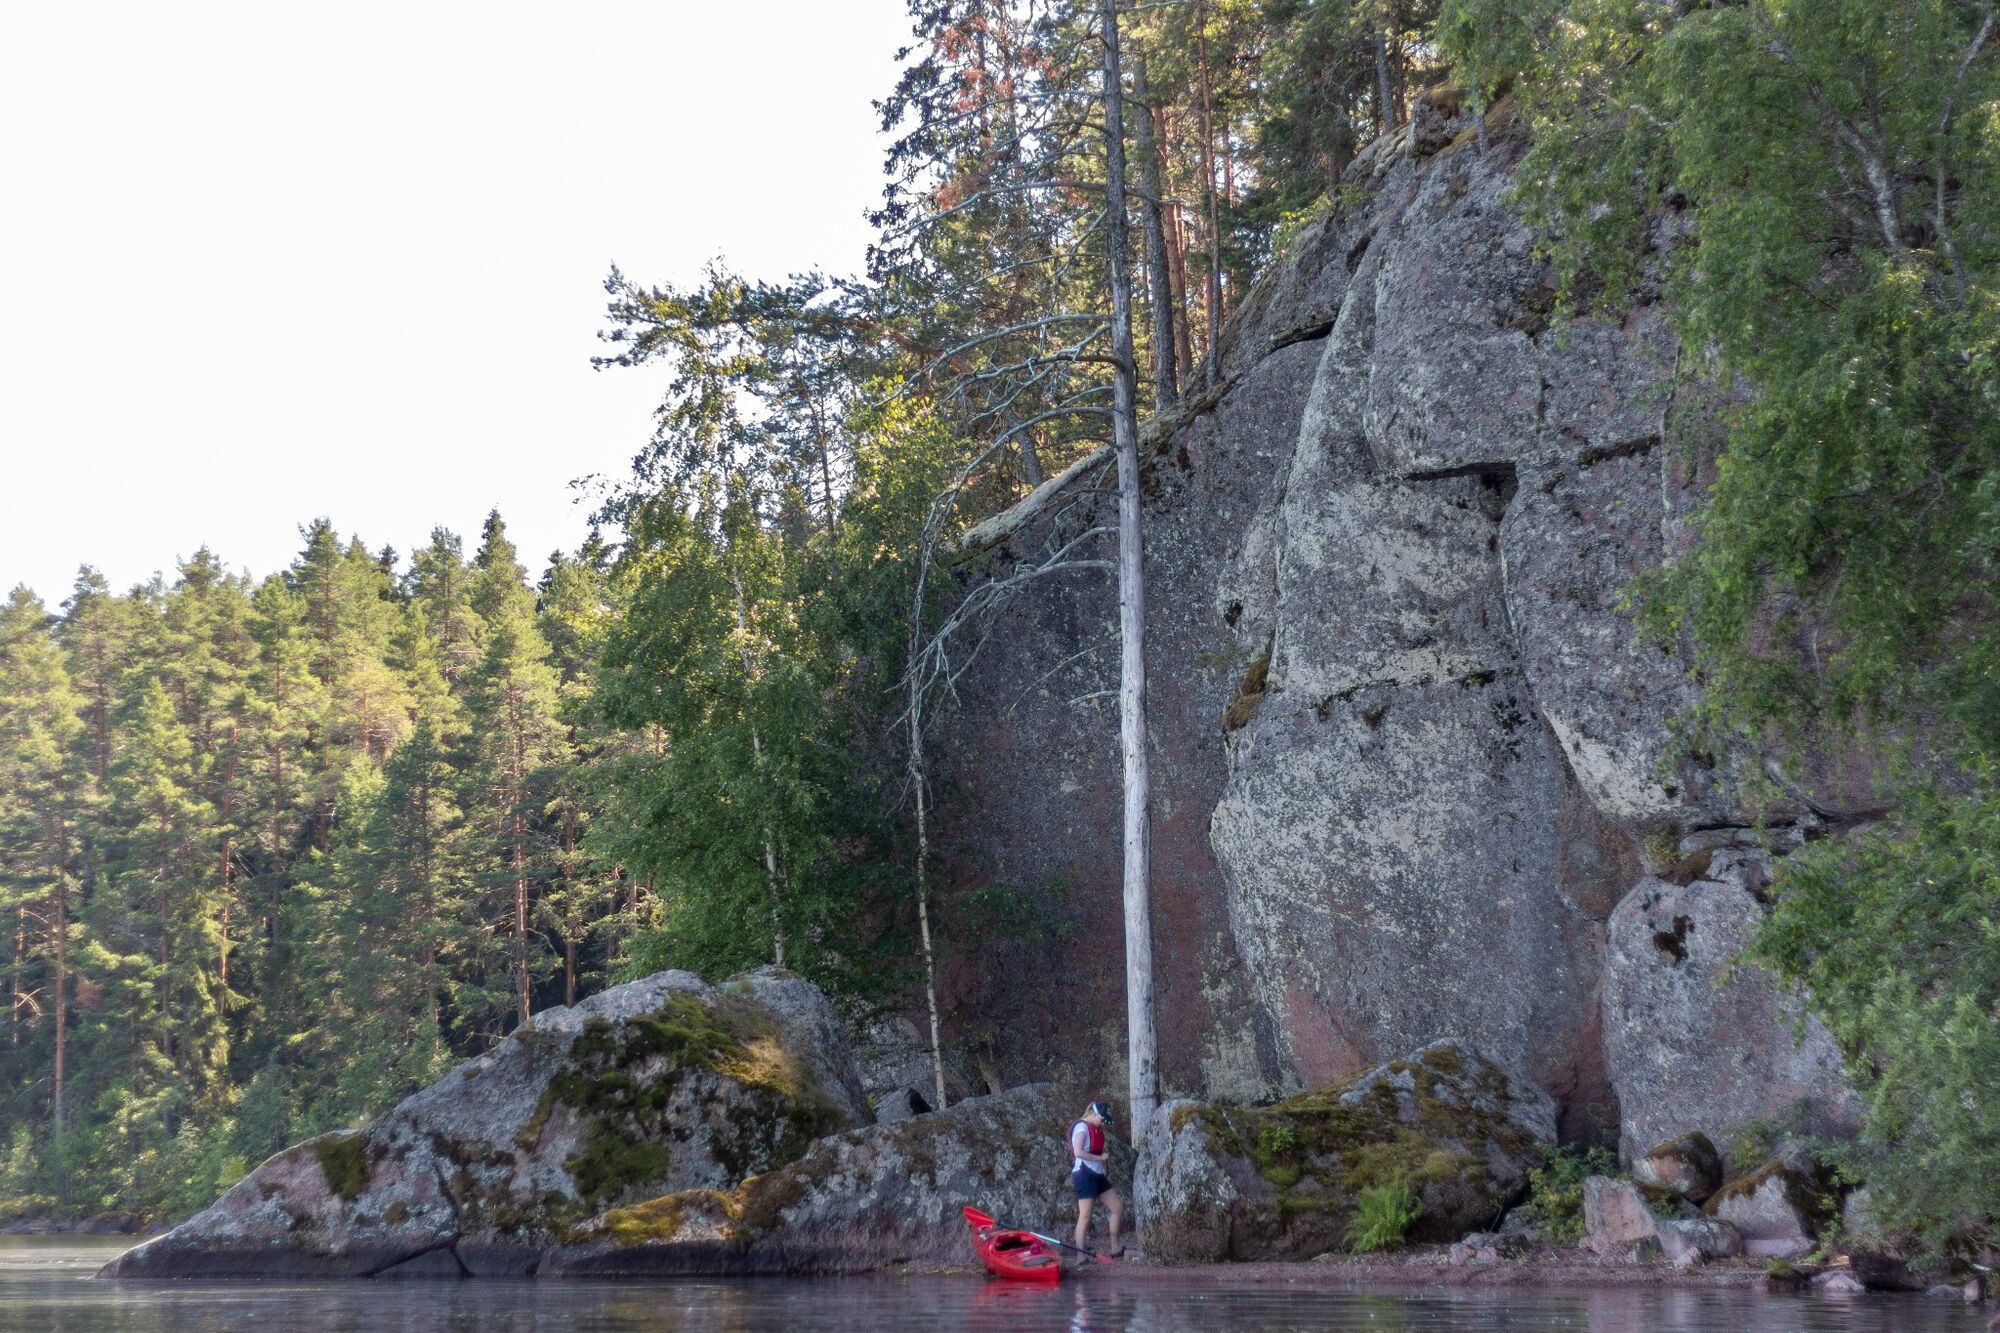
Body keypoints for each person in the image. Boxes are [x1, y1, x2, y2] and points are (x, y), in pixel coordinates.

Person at [1069, 1100, 1124, 1258]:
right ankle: (1080, 1257)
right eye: (1102, 1120)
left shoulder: (1095, 1128)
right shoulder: (1081, 1128)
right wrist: (1099, 1157)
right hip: (1084, 1175)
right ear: (1093, 1114)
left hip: (1097, 1174)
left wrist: (1100, 1159)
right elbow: (1078, 1152)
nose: (1103, 1124)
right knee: (1085, 1216)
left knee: (1117, 1207)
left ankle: (1115, 1249)